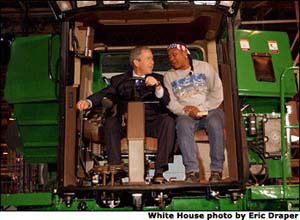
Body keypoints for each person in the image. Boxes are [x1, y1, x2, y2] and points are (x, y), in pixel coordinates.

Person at [77, 46, 175, 184]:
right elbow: (105, 93)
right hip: (127, 124)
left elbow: (167, 100)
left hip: (152, 123)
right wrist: (88, 102)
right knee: (111, 123)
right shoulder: (119, 80)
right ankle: (115, 171)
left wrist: (157, 86)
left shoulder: (160, 79)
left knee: (169, 122)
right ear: (136, 62)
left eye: (152, 59)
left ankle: (159, 172)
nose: (152, 62)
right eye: (148, 59)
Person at [164, 43, 225, 183]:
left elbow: (217, 92)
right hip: (186, 115)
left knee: (215, 122)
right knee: (182, 125)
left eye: (174, 55)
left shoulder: (204, 67)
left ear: (185, 54)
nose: (171, 59)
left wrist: (201, 108)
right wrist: (186, 111)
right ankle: (192, 172)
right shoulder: (169, 76)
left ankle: (217, 171)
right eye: (169, 57)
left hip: (210, 110)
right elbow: (170, 102)